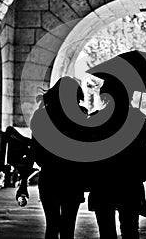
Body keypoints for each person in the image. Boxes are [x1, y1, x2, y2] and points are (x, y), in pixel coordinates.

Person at [16, 76, 89, 239]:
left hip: (50, 176)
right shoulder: (82, 116)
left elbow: (33, 152)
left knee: (52, 225)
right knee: (68, 227)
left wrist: (23, 183)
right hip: (73, 177)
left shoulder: (42, 116)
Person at [87, 75, 146, 239]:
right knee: (130, 231)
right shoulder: (138, 119)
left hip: (103, 182)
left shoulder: (96, 119)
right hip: (129, 182)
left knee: (106, 232)